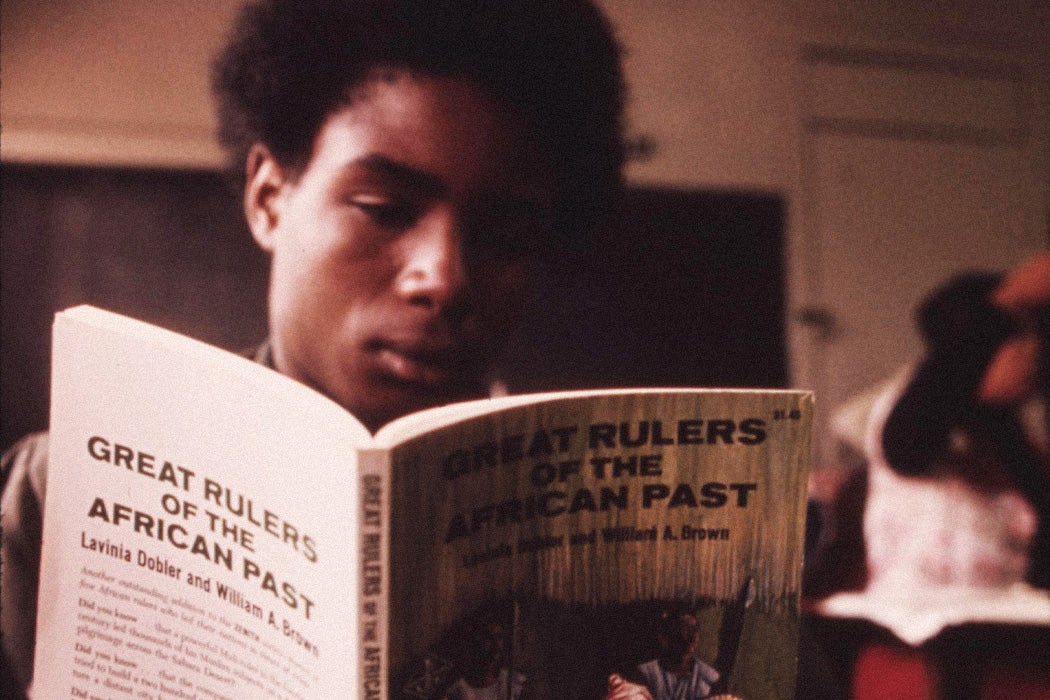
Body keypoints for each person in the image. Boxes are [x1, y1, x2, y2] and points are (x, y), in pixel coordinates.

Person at [0, 1, 625, 695]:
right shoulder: (54, 497)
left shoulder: (601, 538)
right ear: (269, 197)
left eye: (506, 236)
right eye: (384, 210)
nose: (444, 277)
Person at [863, 254, 1050, 594]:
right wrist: (1008, 301)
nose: (1032, 354)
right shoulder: (918, 403)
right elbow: (907, 448)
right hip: (914, 617)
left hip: (1000, 617)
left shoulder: (1004, 430)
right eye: (1019, 339)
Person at [605, 608, 721, 700]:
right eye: (685, 629)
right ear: (664, 637)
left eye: (694, 630)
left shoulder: (709, 678)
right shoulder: (644, 674)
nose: (693, 637)